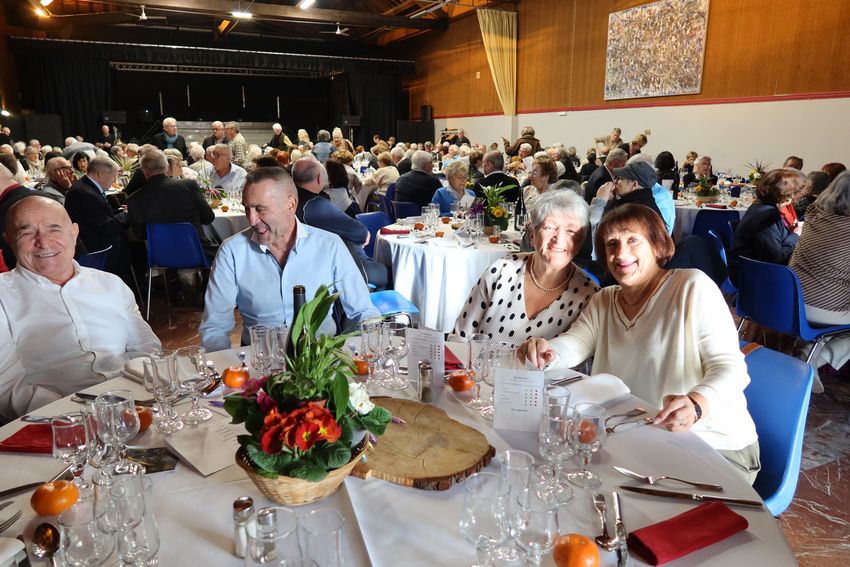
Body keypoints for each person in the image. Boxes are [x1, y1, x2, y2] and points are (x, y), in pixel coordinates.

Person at [518, 203, 760, 483]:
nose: (621, 253)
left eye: (633, 240)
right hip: (640, 441)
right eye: (612, 244)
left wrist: (696, 405)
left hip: (712, 445)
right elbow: (575, 343)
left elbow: (731, 369)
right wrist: (547, 351)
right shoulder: (604, 300)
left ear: (657, 246)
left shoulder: (691, 287)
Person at [0, 196, 160, 418]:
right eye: (26, 233)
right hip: (55, 421)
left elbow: (147, 348)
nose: (43, 242)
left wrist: (139, 398)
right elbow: (6, 387)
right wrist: (80, 416)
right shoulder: (3, 296)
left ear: (74, 232)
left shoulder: (111, 284)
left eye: (54, 229)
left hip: (135, 405)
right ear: (8, 240)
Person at [199, 167, 380, 352]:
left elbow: (363, 311)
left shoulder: (329, 245)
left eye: (260, 209)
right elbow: (215, 326)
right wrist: (225, 365)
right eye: (247, 208)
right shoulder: (232, 252)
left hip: (321, 359)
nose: (252, 220)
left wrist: (370, 352)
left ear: (290, 205)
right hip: (261, 359)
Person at [454, 191, 597, 347]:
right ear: (532, 234)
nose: (559, 239)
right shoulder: (502, 271)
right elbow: (459, 339)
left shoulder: (589, 296)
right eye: (550, 227)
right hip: (477, 364)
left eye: (570, 231)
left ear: (580, 240)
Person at [788, 171, 850, 385]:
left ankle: (810, 349)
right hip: (822, 309)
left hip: (789, 301)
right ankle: (815, 357)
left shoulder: (813, 213)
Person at [729, 168, 804, 284]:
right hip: (753, 276)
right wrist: (795, 235)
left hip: (747, 268)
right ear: (785, 193)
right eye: (794, 192)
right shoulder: (768, 215)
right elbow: (776, 258)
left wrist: (788, 232)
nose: (795, 196)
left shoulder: (759, 206)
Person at [64, 155, 131, 281]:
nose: (114, 180)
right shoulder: (84, 193)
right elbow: (107, 227)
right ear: (101, 174)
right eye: (113, 176)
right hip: (97, 250)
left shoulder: (86, 187)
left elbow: (100, 215)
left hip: (96, 240)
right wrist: (128, 214)